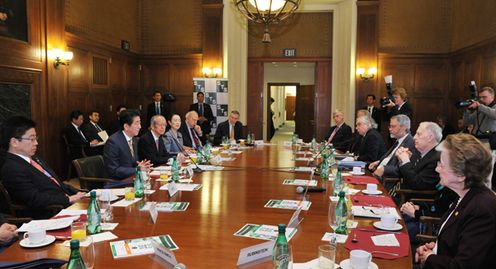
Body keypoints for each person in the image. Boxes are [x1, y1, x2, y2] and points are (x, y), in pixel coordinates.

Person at [415, 133, 496, 269]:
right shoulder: (464, 196)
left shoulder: (482, 208)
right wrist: (435, 249)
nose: (437, 169)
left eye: (442, 164)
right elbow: (459, 242)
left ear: (461, 175)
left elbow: (463, 266)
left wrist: (430, 258)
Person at [0, 116, 85, 219]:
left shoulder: (34, 158)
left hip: (64, 205)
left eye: (36, 138)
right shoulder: (12, 168)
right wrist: (68, 199)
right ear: (14, 142)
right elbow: (35, 199)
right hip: (50, 214)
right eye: (31, 139)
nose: (36, 143)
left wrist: (80, 193)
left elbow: (57, 183)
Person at [103, 110, 151, 183]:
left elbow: (132, 163)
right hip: (118, 183)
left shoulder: (133, 139)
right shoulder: (113, 142)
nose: (140, 127)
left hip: (132, 179)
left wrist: (141, 165)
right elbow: (113, 170)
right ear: (126, 126)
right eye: (136, 123)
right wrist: (137, 169)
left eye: (140, 123)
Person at [396, 122, 442, 190]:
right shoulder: (416, 152)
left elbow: (418, 184)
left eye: (418, 134)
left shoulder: (437, 158)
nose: (414, 137)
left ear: (430, 138)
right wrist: (401, 161)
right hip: (400, 191)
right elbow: (401, 175)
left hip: (413, 198)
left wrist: (406, 161)